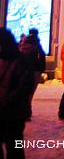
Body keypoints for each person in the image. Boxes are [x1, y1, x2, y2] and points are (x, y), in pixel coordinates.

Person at [0, 28, 35, 159]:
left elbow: (25, 86)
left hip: (14, 113)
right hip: (3, 110)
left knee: (15, 146)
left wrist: (8, 99)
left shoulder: (21, 60)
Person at [18, 28, 46, 120]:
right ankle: (27, 112)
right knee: (30, 93)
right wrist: (42, 70)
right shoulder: (36, 44)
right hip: (34, 71)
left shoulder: (22, 43)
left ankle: (22, 111)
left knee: (22, 92)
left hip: (22, 70)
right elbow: (42, 57)